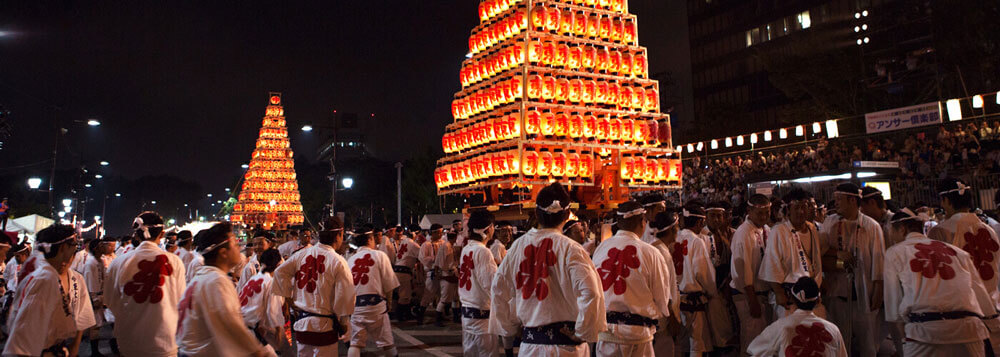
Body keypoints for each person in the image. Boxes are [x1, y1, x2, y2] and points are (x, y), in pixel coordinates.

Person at [491, 182, 607, 357]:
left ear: (537, 213)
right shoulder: (571, 248)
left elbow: (498, 288)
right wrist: (583, 332)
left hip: (531, 346)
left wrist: (509, 327)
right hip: (566, 348)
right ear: (567, 214)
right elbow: (591, 292)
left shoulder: (517, 247)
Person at [883, 209, 996, 356]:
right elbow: (981, 297)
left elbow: (894, 309)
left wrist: (903, 342)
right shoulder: (957, 252)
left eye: (893, 232)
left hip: (924, 333)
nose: (891, 237)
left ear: (902, 229)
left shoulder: (895, 252)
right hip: (969, 330)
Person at [928, 178, 1000, 353]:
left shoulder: (941, 230)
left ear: (945, 200)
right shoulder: (988, 228)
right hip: (993, 303)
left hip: (964, 312)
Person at [592, 201, 672, 356]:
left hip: (606, 331)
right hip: (638, 333)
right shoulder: (651, 253)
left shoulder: (601, 249)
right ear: (642, 222)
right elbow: (661, 297)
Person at [178, 222, 268, 357]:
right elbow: (231, 325)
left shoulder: (204, 277)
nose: (239, 248)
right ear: (223, 253)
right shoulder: (216, 281)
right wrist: (256, 352)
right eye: (235, 245)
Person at [3, 224, 95, 356]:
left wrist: (74, 346)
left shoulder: (52, 275)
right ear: (64, 247)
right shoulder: (44, 279)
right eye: (74, 245)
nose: (75, 249)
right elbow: (24, 335)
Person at [104, 211, 186, 357]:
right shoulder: (175, 262)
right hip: (164, 339)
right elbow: (180, 299)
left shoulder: (119, 262)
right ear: (161, 234)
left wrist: (129, 314)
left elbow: (110, 300)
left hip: (129, 339)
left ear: (136, 235)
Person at [273, 216, 355, 356]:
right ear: (339, 235)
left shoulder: (301, 255)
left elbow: (280, 272)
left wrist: (289, 299)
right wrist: (344, 320)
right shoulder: (338, 261)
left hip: (302, 323)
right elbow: (345, 295)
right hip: (324, 325)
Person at [819, 183, 885, 357]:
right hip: (837, 294)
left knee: (868, 345)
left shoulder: (871, 226)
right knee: (840, 344)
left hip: (864, 296)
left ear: (852, 200)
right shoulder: (830, 222)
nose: (836, 203)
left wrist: (879, 290)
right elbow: (820, 252)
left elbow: (879, 261)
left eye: (839, 199)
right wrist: (838, 253)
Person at [761, 189, 825, 319]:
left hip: (811, 293)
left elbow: (817, 261)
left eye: (804, 207)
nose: (801, 212)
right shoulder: (779, 231)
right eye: (796, 208)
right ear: (788, 210)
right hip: (789, 295)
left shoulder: (812, 228)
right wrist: (778, 292)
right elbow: (772, 264)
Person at [748, 277, 847, 357]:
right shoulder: (833, 330)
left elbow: (753, 350)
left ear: (792, 298)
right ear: (818, 301)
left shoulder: (780, 326)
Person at [729, 194, 772, 354]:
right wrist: (752, 299)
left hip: (762, 292)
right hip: (748, 294)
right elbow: (743, 268)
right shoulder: (743, 233)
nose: (764, 216)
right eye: (760, 213)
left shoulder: (766, 229)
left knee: (763, 339)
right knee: (752, 339)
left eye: (767, 212)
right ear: (749, 211)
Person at [347, 229, 400, 357]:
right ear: (370, 240)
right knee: (387, 342)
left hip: (356, 306)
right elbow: (389, 283)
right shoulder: (379, 255)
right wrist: (389, 302)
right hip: (376, 305)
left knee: (355, 343)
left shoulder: (350, 260)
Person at [675, 203, 718, 356]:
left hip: (675, 300)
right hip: (692, 299)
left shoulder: (674, 237)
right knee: (696, 343)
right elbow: (703, 272)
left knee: (679, 344)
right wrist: (711, 291)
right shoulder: (696, 241)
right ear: (699, 222)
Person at [458, 210, 500, 356]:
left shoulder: (466, 249)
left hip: (467, 314)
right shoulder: (483, 252)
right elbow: (492, 285)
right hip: (482, 317)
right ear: (488, 229)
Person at [647, 211, 682, 356]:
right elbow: (663, 290)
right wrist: (671, 317)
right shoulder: (661, 252)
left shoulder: (653, 247)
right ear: (671, 229)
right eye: (677, 227)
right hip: (663, 317)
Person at [240, 248, 287, 354]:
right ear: (278, 265)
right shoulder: (270, 282)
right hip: (250, 329)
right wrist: (278, 330)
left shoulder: (255, 278)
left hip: (242, 326)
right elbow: (273, 311)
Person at [83, 236, 118, 356]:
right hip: (95, 297)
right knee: (95, 325)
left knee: (98, 324)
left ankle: (95, 350)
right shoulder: (91, 263)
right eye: (102, 245)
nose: (105, 247)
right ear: (97, 248)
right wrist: (95, 298)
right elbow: (90, 281)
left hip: (101, 295)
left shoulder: (99, 261)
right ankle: (94, 352)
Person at [418, 224, 445, 324]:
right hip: (432, 272)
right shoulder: (426, 244)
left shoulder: (443, 243)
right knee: (428, 294)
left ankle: (440, 317)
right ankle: (420, 316)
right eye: (439, 232)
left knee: (441, 295)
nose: (441, 234)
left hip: (442, 273)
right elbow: (422, 258)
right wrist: (435, 259)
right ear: (434, 233)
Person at [393, 227, 421, 321]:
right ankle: (400, 316)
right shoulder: (414, 245)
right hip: (404, 271)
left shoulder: (404, 241)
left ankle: (406, 313)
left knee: (404, 294)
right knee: (405, 295)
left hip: (398, 270)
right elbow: (421, 257)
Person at [434, 231, 460, 325]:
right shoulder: (446, 246)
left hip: (452, 273)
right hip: (447, 274)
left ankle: (456, 317)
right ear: (455, 238)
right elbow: (443, 262)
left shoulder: (449, 246)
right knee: (444, 298)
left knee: (455, 297)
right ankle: (438, 319)